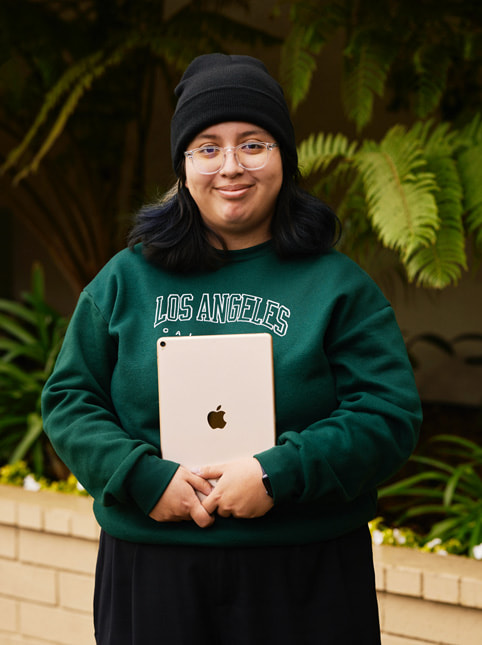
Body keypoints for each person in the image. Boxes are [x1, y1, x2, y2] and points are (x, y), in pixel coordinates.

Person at [41, 53, 422, 645]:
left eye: (253, 143)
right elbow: (70, 400)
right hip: (154, 569)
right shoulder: (124, 281)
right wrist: (141, 477)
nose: (230, 167)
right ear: (183, 167)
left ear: (283, 159)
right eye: (208, 147)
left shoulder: (338, 286)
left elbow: (387, 415)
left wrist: (277, 473)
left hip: (304, 570)